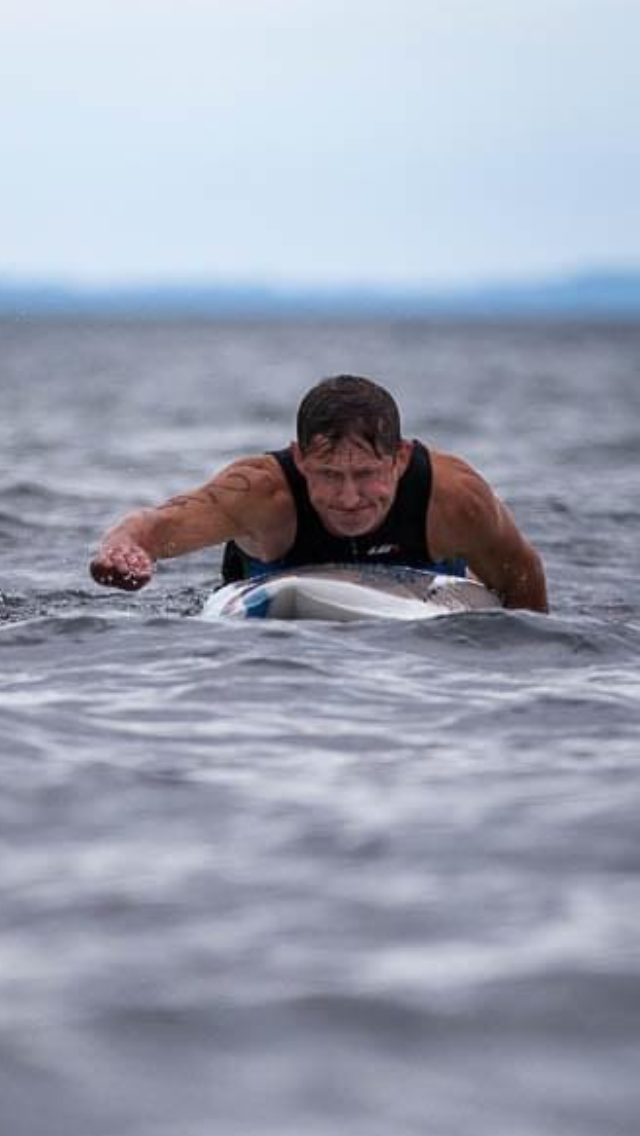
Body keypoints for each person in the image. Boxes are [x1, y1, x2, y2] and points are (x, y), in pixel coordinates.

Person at [90, 374, 548, 612]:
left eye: (367, 474)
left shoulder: (455, 498)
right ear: (301, 458)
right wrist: (121, 549)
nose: (349, 497)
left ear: (400, 459)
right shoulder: (261, 493)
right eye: (328, 474)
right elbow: (154, 526)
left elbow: (523, 574)